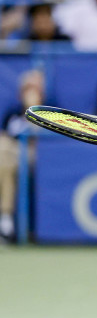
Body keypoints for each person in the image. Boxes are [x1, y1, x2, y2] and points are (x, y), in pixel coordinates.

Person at [0, 69, 44, 242]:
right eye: (27, 89)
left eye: (35, 89)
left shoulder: (53, 113)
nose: (31, 93)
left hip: (39, 158)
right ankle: (5, 220)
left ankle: (5, 220)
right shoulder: (12, 114)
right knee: (5, 159)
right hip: (12, 159)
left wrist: (32, 115)